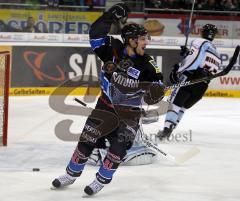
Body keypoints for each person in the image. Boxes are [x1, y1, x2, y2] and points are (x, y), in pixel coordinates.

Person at [51, 3, 165, 196]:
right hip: (104, 105)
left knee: (118, 148)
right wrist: (108, 16)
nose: (146, 42)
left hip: (129, 113)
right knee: (87, 140)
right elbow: (95, 35)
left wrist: (156, 90)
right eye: (143, 39)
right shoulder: (112, 49)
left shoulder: (148, 64)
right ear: (131, 41)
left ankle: (100, 180)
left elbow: (157, 91)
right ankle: (71, 174)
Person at [157, 24, 220, 140]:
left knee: (175, 104)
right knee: (183, 107)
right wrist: (187, 53)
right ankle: (171, 127)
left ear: (202, 32)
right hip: (203, 85)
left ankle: (166, 129)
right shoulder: (217, 52)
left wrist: (179, 69)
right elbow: (203, 61)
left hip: (191, 78)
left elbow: (194, 59)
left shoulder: (200, 42)